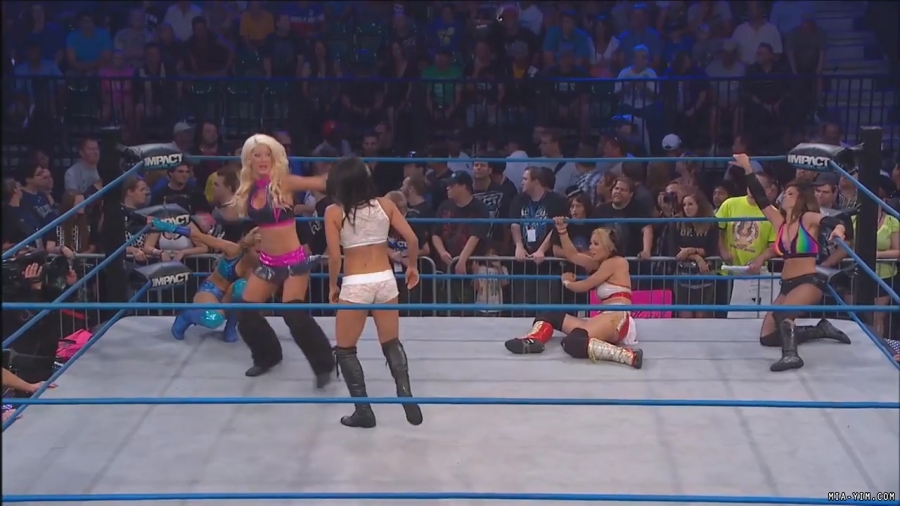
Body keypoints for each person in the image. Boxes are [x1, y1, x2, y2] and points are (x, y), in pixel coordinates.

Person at [226, 134, 334, 385]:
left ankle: (325, 365)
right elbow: (230, 213)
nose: (263, 159)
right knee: (245, 309)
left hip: (294, 261)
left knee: (293, 313)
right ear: (249, 159)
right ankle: (267, 356)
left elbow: (320, 182)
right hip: (268, 262)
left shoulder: (283, 181)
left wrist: (348, 176)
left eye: (267, 154)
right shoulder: (249, 187)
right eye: (257, 155)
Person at [324, 157, 422, 429]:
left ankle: (364, 411)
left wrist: (332, 285)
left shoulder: (334, 212)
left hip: (356, 282)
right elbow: (412, 239)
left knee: (345, 349)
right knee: (390, 342)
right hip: (385, 279)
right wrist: (412, 267)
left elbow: (335, 256)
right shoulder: (386, 204)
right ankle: (404, 390)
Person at [733, 154, 851, 372]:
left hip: (808, 282)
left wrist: (839, 229)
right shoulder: (780, 222)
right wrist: (747, 168)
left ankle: (791, 356)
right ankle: (820, 330)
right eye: (785, 192)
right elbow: (761, 198)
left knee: (783, 315)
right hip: (786, 286)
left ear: (800, 198)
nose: (785, 196)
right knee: (767, 336)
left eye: (790, 193)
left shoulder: (808, 218)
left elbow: (838, 220)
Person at [504, 219, 643, 369]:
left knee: (573, 342)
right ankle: (533, 340)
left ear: (609, 247)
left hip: (617, 318)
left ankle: (628, 355)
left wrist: (567, 282)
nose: (590, 247)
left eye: (596, 244)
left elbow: (586, 285)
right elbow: (573, 255)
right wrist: (562, 231)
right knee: (549, 315)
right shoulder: (599, 263)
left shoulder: (617, 262)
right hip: (604, 317)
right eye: (591, 243)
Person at [149, 218, 261, 342]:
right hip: (210, 290)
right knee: (213, 319)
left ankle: (230, 327)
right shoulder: (234, 250)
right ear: (248, 247)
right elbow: (200, 237)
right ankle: (187, 315)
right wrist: (171, 228)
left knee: (242, 287)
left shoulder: (263, 265)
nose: (261, 256)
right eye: (258, 251)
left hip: (229, 297)